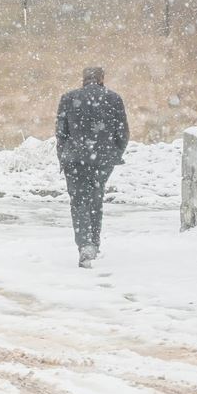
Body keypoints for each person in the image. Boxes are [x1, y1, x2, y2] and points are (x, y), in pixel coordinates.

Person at [55, 67, 129, 268]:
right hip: (103, 159)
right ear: (102, 78)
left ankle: (85, 244)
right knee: (96, 199)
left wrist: (64, 155)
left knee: (79, 201)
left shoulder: (69, 98)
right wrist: (114, 153)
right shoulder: (114, 98)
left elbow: (61, 133)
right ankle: (94, 243)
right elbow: (123, 133)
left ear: (84, 79)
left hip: (75, 159)